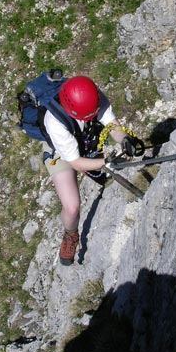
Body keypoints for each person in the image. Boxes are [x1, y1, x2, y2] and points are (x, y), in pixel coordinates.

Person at [42, 75, 140, 265]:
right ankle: (70, 234)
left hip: (85, 139)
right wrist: (106, 161)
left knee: (104, 177)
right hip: (59, 153)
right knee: (72, 207)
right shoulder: (54, 121)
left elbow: (111, 124)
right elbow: (77, 163)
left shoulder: (93, 97)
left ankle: (102, 175)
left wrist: (125, 140)